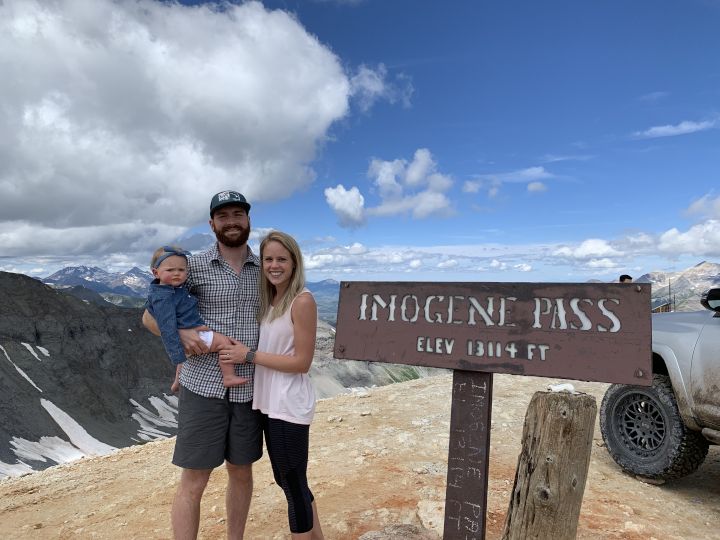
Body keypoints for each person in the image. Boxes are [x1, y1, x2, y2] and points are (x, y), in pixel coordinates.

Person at [142, 190, 263, 540]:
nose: (231, 221)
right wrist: (180, 336)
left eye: (238, 214)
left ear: (248, 220)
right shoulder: (191, 267)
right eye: (223, 216)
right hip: (202, 386)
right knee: (194, 479)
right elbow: (149, 317)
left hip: (249, 387)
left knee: (241, 472)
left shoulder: (265, 268)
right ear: (212, 224)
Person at [220, 231, 324, 540]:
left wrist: (249, 355)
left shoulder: (302, 301)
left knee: (292, 483)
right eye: (268, 259)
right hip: (271, 403)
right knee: (290, 480)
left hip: (288, 404)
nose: (274, 265)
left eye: (281, 259)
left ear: (294, 263)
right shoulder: (274, 298)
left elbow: (301, 362)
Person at [145, 245, 248, 393]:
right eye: (170, 270)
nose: (176, 273)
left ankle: (177, 381)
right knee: (224, 342)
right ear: (156, 273)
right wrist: (176, 354)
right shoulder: (163, 298)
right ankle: (229, 376)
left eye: (181, 270)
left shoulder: (171, 289)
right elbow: (166, 326)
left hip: (190, 330)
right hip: (194, 335)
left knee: (184, 360)